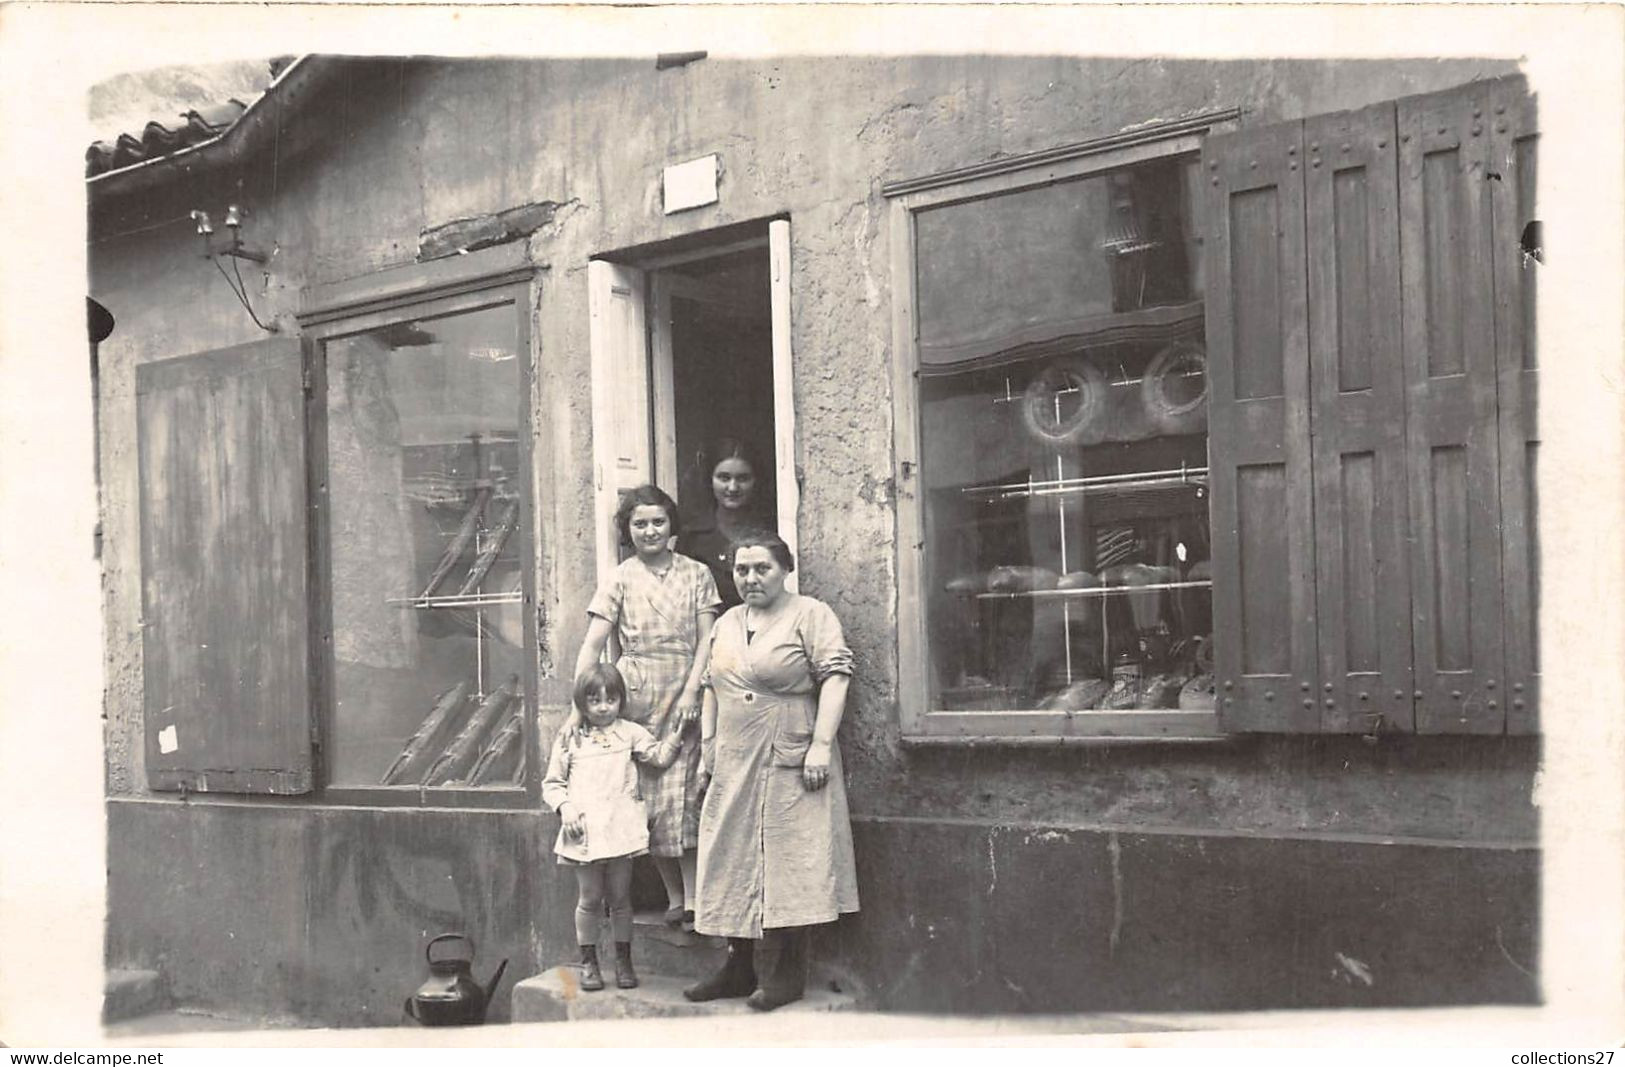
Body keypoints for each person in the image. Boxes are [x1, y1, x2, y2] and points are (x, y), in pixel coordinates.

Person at [684, 530, 860, 1011]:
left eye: (762, 568)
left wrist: (821, 745)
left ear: (785, 570)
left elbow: (836, 677)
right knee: (731, 852)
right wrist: (708, 748)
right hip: (734, 754)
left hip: (792, 748)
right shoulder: (726, 622)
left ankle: (785, 976)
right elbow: (709, 687)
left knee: (790, 856)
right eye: (742, 569)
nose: (750, 578)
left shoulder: (811, 614)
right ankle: (737, 967)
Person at [573, 485, 720, 930]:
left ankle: (697, 898)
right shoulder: (620, 578)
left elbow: (707, 640)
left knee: (687, 793)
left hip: (686, 686)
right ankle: (675, 897)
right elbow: (594, 644)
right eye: (640, 524)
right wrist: (580, 704)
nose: (650, 530)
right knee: (649, 799)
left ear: (672, 526)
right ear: (628, 530)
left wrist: (694, 691)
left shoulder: (696, 574)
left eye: (658, 522)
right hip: (637, 694)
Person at [543, 663, 690, 991]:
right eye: (594, 700)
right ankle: (589, 963)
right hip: (585, 831)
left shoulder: (630, 732)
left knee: (621, 898)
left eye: (611, 699)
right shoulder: (570, 737)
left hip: (620, 829)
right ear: (582, 703)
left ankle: (623, 961)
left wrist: (679, 732)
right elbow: (552, 783)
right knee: (591, 898)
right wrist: (565, 807)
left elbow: (659, 756)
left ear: (621, 701)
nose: (603, 707)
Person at [679, 438, 773, 609]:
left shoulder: (768, 534)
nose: (733, 487)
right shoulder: (692, 537)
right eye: (724, 478)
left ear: (756, 481)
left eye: (743, 478)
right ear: (710, 479)